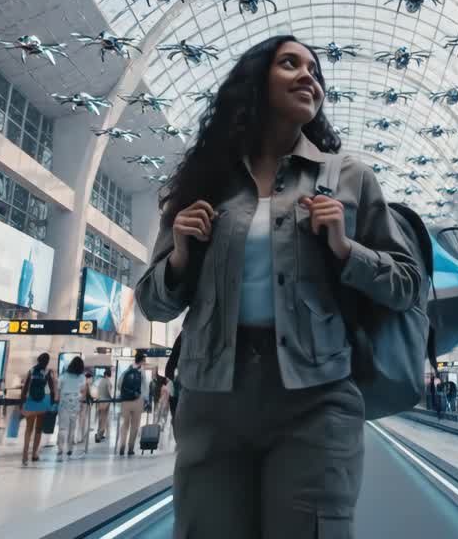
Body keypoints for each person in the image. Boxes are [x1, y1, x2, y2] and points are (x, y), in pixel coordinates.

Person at [135, 35, 421, 538]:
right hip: (211, 399)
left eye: (314, 70)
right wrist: (180, 255)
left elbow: (407, 285)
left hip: (315, 400)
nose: (308, 75)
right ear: (254, 81)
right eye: (290, 64)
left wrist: (344, 249)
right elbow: (152, 303)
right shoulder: (205, 182)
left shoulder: (350, 177)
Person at [20, 353, 57, 466]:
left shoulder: (31, 371)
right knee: (38, 429)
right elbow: (52, 390)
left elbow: (25, 387)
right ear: (47, 362)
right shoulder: (47, 372)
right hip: (42, 402)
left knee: (28, 429)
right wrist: (52, 403)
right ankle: (34, 454)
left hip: (30, 402)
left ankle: (25, 454)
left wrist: (22, 403)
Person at [56, 356, 86, 461]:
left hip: (64, 403)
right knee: (72, 427)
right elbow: (83, 392)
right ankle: (70, 448)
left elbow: (58, 391)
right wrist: (80, 402)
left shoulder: (63, 376)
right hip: (75, 404)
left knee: (63, 428)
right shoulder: (82, 377)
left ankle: (60, 448)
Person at [117, 351, 146, 457]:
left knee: (125, 425)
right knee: (134, 426)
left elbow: (119, 385)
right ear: (142, 361)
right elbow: (145, 388)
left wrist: (126, 393)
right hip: (137, 401)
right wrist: (145, 399)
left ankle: (122, 446)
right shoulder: (141, 372)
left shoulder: (127, 371)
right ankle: (130, 448)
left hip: (125, 401)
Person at [94, 369, 113, 443]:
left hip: (99, 401)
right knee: (104, 419)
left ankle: (100, 434)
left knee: (101, 419)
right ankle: (99, 436)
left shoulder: (100, 381)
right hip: (105, 402)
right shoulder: (107, 381)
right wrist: (112, 399)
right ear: (108, 375)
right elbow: (108, 392)